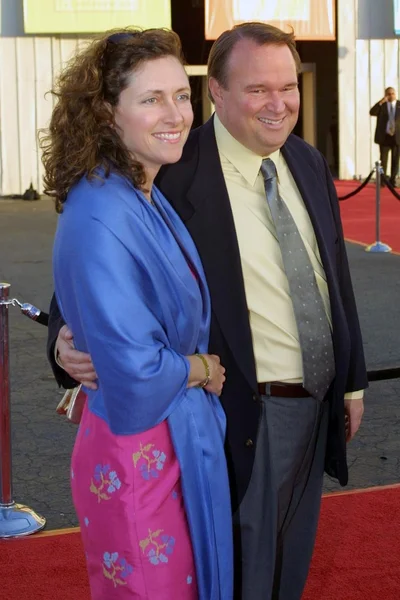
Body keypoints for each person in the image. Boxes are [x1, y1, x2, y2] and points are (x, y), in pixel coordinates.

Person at [47, 22, 368, 600]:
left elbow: (334, 279)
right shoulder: (169, 164)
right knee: (235, 572)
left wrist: (351, 382)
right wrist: (62, 341)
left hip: (313, 407)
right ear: (216, 92)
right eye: (257, 90)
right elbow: (90, 274)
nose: (279, 104)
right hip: (238, 416)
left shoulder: (308, 163)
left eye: (287, 86)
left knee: (287, 568)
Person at [41, 28, 233, 600]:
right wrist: (201, 368)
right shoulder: (102, 211)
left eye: (180, 94)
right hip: (138, 455)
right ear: (106, 113)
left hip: (169, 444)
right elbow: (134, 370)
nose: (176, 113)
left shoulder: (141, 193)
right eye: (151, 99)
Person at [370, 87, 400, 186]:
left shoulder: (399, 105)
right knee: (383, 161)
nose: (391, 95)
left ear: (395, 94)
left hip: (396, 137)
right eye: (389, 94)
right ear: (386, 95)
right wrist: (381, 101)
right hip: (384, 137)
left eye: (392, 93)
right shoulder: (382, 105)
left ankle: (392, 180)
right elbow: (372, 112)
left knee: (395, 160)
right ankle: (382, 180)